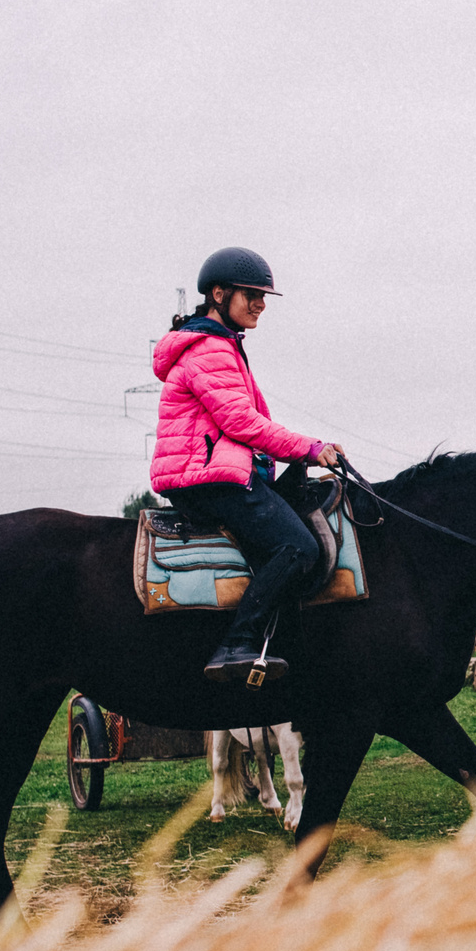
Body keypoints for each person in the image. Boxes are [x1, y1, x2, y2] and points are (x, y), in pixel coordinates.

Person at [150, 246, 342, 687]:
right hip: (207, 479)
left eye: (264, 296)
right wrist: (309, 449)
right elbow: (240, 422)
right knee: (299, 548)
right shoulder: (210, 349)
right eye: (252, 294)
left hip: (217, 472)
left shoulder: (223, 346)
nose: (260, 303)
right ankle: (238, 643)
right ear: (219, 294)